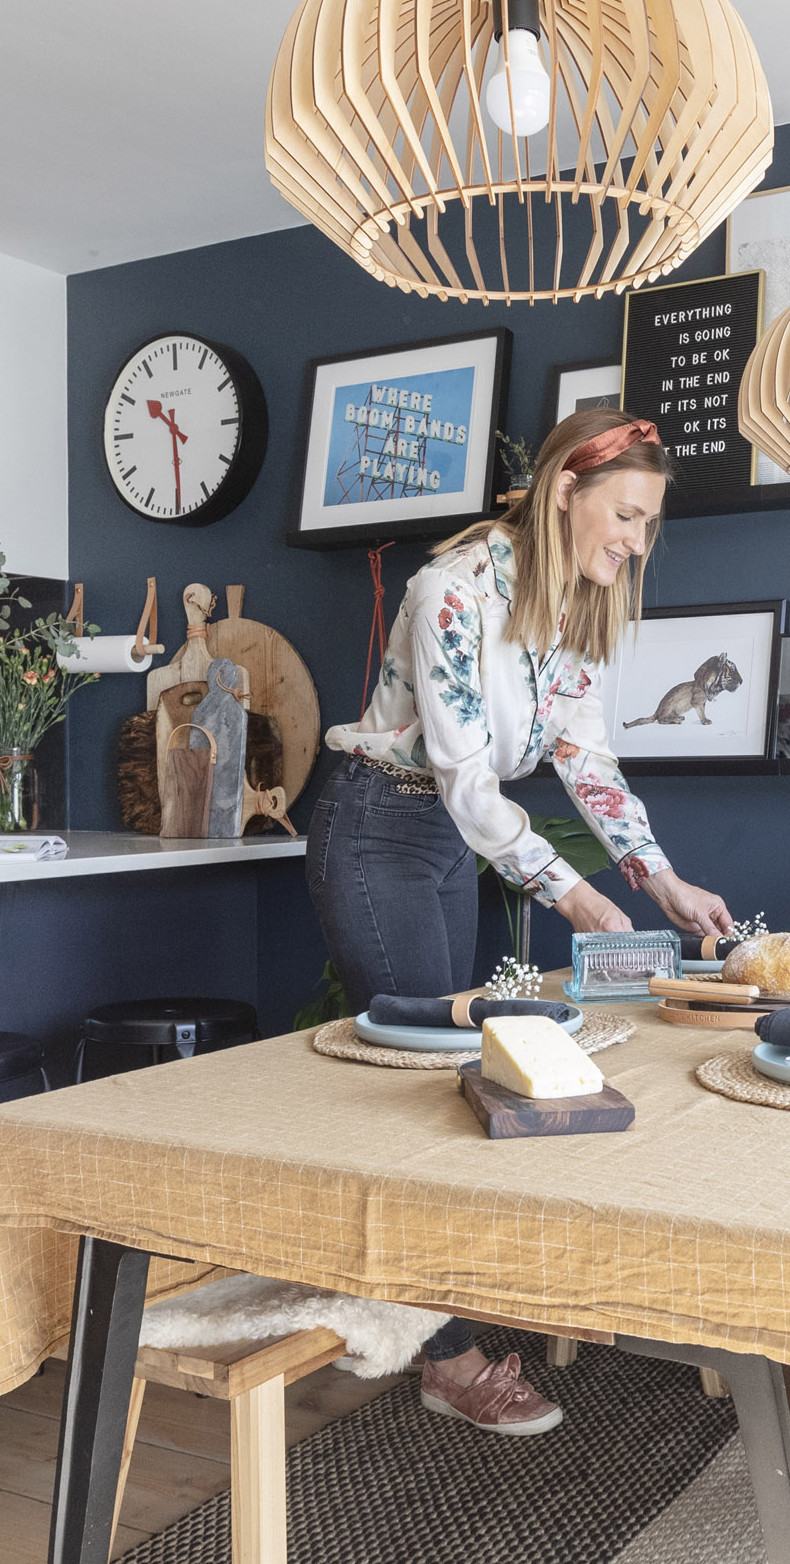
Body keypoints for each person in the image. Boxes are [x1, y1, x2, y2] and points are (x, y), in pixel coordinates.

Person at [308, 407, 738, 1437]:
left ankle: (434, 1313)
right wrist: (581, 896)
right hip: (377, 830)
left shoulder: (580, 608)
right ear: (563, 492)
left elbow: (587, 760)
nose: (636, 542)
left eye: (646, 526)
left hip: (451, 844)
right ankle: (446, 1357)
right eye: (627, 516)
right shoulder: (449, 592)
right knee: (425, 1080)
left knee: (468, 1077)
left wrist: (658, 878)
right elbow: (464, 777)